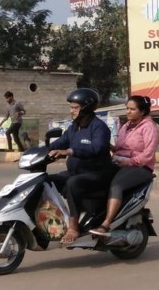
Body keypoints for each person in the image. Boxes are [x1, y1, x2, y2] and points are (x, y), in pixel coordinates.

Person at [48, 88, 115, 244]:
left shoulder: (99, 127)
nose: (72, 111)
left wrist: (70, 151)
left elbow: (96, 148)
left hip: (98, 174)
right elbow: (59, 143)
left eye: (75, 108)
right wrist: (33, 152)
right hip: (77, 172)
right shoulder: (73, 127)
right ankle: (52, 218)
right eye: (71, 108)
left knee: (72, 183)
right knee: (47, 180)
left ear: (85, 108)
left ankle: (73, 227)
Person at [89, 95, 159, 238]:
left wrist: (129, 162)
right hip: (119, 163)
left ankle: (106, 224)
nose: (128, 112)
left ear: (142, 111)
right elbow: (120, 149)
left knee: (117, 186)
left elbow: (148, 155)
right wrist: (106, 145)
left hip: (140, 167)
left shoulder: (149, 127)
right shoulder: (125, 126)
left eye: (132, 109)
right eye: (127, 108)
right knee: (93, 179)